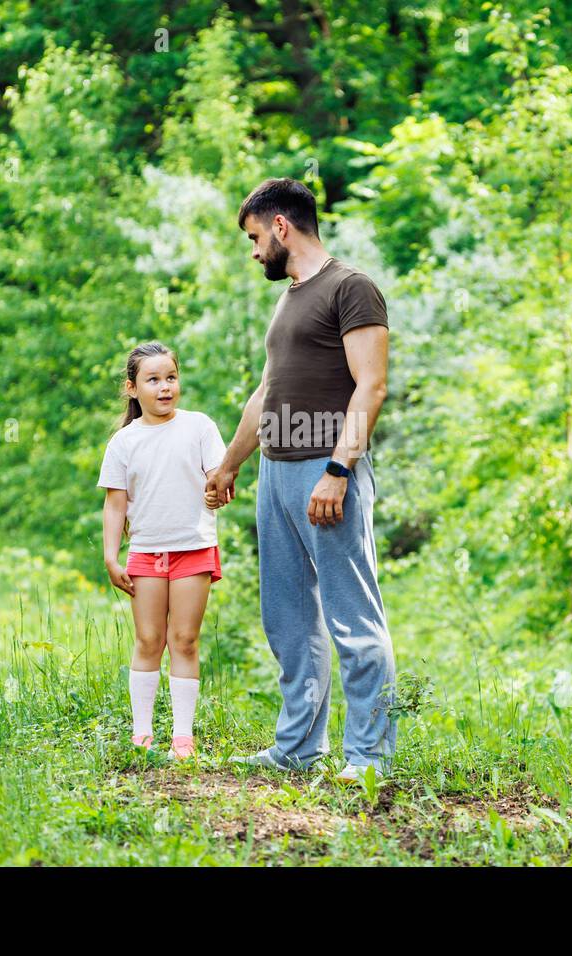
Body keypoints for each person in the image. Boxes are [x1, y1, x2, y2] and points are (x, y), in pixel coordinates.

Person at [206, 177, 397, 783]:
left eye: (257, 237)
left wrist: (339, 470)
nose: (255, 250)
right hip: (276, 473)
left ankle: (367, 757)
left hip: (325, 471)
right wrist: (232, 461)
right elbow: (267, 394)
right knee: (288, 617)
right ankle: (297, 748)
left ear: (282, 226)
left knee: (352, 617)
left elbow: (371, 386)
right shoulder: (290, 296)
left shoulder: (352, 288)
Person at [100, 341, 227, 760]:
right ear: (133, 388)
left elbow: (218, 478)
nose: (164, 387)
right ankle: (142, 735)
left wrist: (218, 493)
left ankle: (182, 738)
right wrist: (111, 556)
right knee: (149, 638)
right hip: (147, 553)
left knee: (185, 640)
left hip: (193, 548)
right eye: (153, 380)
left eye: (171, 377)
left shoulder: (200, 427)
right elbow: (115, 503)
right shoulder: (124, 442)